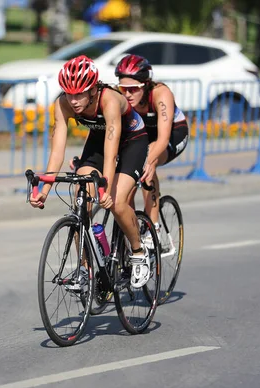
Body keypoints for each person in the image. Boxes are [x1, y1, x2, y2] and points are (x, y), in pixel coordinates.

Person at [29, 55, 152, 289]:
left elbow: (112, 149)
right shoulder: (62, 103)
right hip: (98, 142)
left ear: (94, 89)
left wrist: (105, 187)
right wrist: (45, 189)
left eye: (79, 94)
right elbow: (57, 152)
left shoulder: (110, 101)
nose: (73, 101)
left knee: (115, 202)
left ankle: (138, 251)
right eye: (69, 93)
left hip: (131, 141)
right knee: (80, 202)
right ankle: (86, 269)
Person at [114, 54, 189, 246]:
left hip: (173, 133)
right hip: (143, 135)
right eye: (124, 89)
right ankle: (131, 228)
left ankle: (153, 229)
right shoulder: (119, 96)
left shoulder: (160, 94)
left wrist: (148, 160)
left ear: (145, 84)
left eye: (133, 89)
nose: (128, 94)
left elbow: (163, 139)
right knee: (124, 178)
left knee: (148, 163)